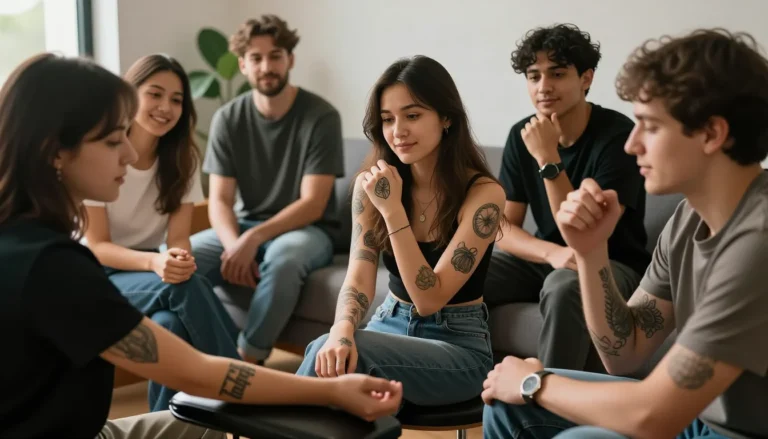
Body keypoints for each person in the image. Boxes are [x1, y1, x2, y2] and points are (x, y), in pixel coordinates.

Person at [0, 53, 402, 439]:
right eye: (110, 141)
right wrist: (328, 393)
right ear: (54, 152)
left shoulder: (22, 241)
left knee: (188, 376)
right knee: (217, 399)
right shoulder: (56, 269)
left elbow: (193, 366)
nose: (127, 152)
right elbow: (196, 371)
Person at [482, 28, 768, 439]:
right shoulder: (688, 218)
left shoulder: (757, 240)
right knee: (505, 408)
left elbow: (653, 415)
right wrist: (591, 251)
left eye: (649, 126)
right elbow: (625, 351)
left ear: (711, 133)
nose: (632, 145)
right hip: (697, 421)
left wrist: (535, 382)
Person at [296, 55, 506, 407]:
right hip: (388, 324)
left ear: (446, 118)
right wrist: (342, 330)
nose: (398, 131)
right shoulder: (370, 187)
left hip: (457, 347)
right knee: (331, 351)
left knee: (342, 358)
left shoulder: (484, 195)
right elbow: (359, 275)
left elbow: (429, 299)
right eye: (387, 119)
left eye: (412, 115)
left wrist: (393, 212)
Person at [484, 23, 650, 370]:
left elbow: (585, 233)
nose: (543, 87)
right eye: (534, 76)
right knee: (467, 267)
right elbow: (502, 226)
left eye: (557, 74)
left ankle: (547, 411)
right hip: (555, 257)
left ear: (586, 78)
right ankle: (460, 377)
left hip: (611, 264)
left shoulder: (619, 137)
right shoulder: (521, 134)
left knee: (563, 286)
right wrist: (550, 252)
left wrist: (547, 159)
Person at [82, 54, 240, 411]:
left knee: (169, 324)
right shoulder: (100, 150)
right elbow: (97, 246)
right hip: (95, 275)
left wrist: (177, 257)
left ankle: (165, 427)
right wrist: (156, 263)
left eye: (176, 99)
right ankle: (244, 389)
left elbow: (179, 236)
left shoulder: (183, 158)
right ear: (129, 94)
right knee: (182, 287)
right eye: (154, 94)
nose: (165, 107)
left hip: (149, 272)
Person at [191, 15, 344, 365]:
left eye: (275, 56)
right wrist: (234, 246)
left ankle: (246, 362)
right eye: (256, 58)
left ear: (290, 60)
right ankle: (213, 353)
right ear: (243, 65)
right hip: (245, 227)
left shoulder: (321, 116)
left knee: (285, 260)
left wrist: (252, 240)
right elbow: (219, 200)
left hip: (308, 230)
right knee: (180, 259)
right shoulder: (228, 118)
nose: (266, 66)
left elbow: (312, 204)